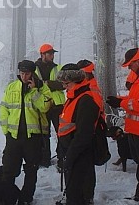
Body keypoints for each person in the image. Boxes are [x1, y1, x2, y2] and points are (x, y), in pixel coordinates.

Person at [0, 60, 52, 205]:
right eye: (22, 73)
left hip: (33, 137)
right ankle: (8, 197)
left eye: (27, 73)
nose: (24, 76)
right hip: (13, 137)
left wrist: (34, 91)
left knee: (31, 170)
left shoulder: (42, 88)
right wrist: (6, 130)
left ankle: (26, 198)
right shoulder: (11, 87)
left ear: (32, 73)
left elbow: (44, 107)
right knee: (9, 170)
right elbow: (3, 108)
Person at [57, 65, 100, 205]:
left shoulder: (85, 100)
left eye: (67, 83)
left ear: (76, 80)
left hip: (80, 156)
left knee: (79, 193)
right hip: (72, 153)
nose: (64, 87)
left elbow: (83, 135)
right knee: (73, 192)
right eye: (63, 84)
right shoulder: (73, 97)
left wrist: (70, 156)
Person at [107, 48, 139, 201]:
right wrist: (118, 99)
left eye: (130, 65)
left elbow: (136, 104)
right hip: (134, 130)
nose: (129, 68)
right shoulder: (136, 80)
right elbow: (132, 98)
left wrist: (120, 103)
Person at [35, 43, 65, 168]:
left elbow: (64, 84)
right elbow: (33, 86)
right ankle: (44, 160)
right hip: (42, 106)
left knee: (62, 133)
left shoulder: (58, 68)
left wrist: (46, 84)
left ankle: (61, 159)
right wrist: (51, 84)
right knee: (43, 134)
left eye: (53, 53)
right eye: (50, 53)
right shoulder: (34, 69)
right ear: (42, 55)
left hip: (57, 105)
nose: (52, 56)